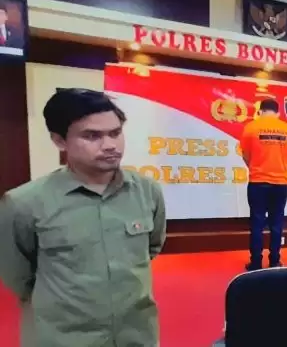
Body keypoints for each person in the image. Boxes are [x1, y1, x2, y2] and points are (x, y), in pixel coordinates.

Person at [0, 88, 167, 347]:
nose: (110, 145)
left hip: (136, 335)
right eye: (92, 136)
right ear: (59, 141)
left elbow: (151, 248)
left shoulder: (147, 191)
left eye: (115, 133)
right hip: (63, 338)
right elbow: (18, 275)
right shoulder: (23, 203)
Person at [240, 98, 287, 270]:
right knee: (277, 224)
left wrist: (255, 167)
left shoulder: (251, 128)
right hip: (280, 183)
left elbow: (245, 155)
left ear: (260, 111)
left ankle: (256, 262)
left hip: (257, 182)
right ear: (278, 113)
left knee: (257, 224)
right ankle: (274, 261)